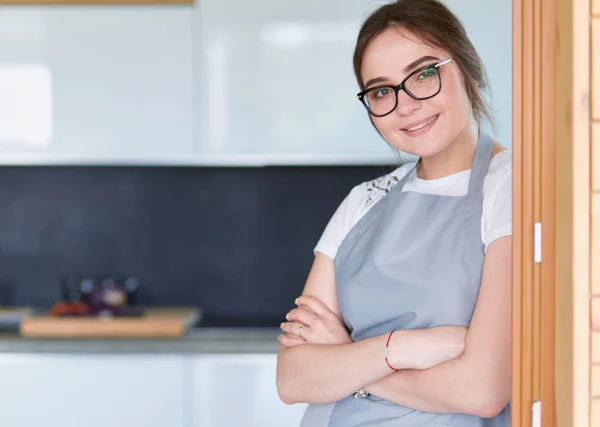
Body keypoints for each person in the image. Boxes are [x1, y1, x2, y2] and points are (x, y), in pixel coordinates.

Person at [275, 0, 512, 426]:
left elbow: (482, 390)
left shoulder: (513, 185)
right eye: (382, 90)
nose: (406, 105)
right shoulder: (363, 201)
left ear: (467, 68)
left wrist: (350, 359)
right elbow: (294, 378)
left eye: (424, 74)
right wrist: (400, 349)